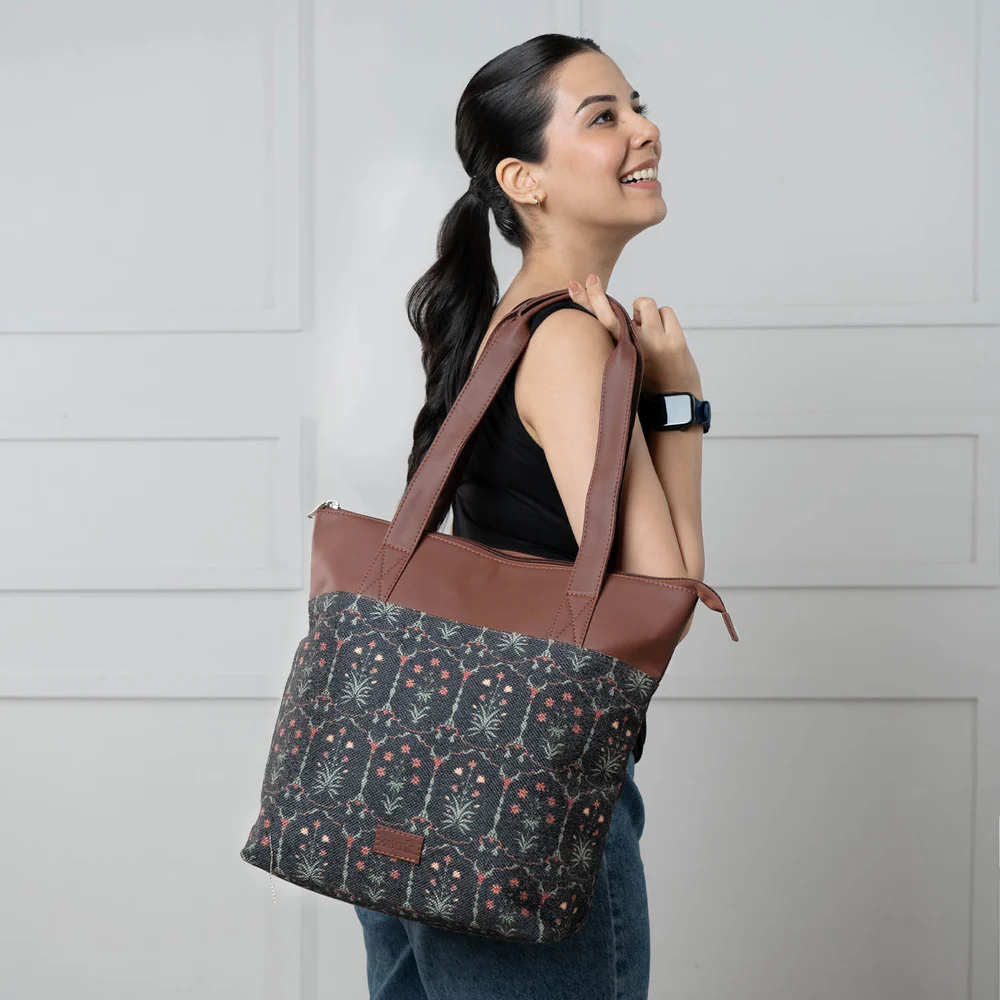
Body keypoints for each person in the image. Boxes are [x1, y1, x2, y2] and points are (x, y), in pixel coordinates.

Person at [355, 31, 707, 1000]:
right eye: (603, 117)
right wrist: (679, 404)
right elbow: (657, 601)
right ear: (525, 179)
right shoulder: (567, 343)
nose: (645, 131)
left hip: (408, 780)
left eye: (636, 106)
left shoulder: (500, 323)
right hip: (522, 802)